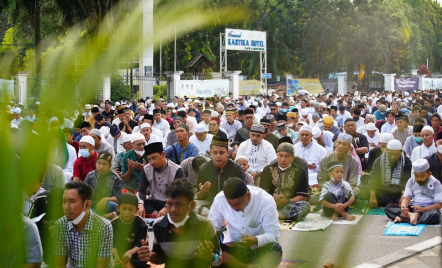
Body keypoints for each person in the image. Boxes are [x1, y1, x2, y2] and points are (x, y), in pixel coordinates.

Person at [208, 178, 282, 268]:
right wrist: (218, 239)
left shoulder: (266, 201)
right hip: (232, 250)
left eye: (238, 204)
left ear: (248, 195)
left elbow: (273, 234)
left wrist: (256, 240)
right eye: (230, 204)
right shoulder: (220, 199)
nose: (234, 208)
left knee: (275, 250)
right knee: (212, 252)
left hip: (256, 249)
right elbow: (211, 228)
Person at [150, 179, 222, 268]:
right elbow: (160, 257)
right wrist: (149, 256)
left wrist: (210, 257)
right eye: (170, 204)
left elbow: (218, 260)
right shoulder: (158, 225)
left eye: (179, 204)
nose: (173, 210)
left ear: (192, 206)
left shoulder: (205, 225)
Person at [54, 181, 113, 268]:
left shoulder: (103, 226)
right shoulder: (60, 225)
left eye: (72, 201)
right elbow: (59, 264)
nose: (66, 207)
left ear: (87, 204)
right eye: (64, 201)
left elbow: (102, 266)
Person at [260, 142, 311, 221]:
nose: (283, 159)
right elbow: (263, 194)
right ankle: (287, 215)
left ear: (292, 158)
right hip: (271, 203)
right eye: (280, 156)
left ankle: (274, 215)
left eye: (287, 156)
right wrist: (274, 202)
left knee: (305, 206)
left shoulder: (299, 171)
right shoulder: (268, 169)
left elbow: (303, 196)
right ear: (276, 155)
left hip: (290, 204)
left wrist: (286, 202)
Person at [384, 159, 442, 225]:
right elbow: (406, 198)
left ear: (429, 174)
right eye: (417, 176)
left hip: (428, 209)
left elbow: (439, 205)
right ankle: (411, 216)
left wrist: (424, 209)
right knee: (388, 208)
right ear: (414, 174)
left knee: (436, 216)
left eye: (422, 176)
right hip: (412, 208)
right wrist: (404, 208)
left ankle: (405, 219)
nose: (419, 179)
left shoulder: (436, 183)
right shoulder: (411, 181)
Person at [137, 142, 184, 217]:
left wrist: (166, 207)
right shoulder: (146, 169)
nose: (152, 162)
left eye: (154, 158)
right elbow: (141, 190)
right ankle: (156, 214)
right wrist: (140, 204)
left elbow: (179, 193)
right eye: (149, 159)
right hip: (154, 202)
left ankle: (159, 214)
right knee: (139, 203)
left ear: (163, 154)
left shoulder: (176, 170)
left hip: (171, 202)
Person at [197, 137, 245, 206]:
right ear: (210, 153)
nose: (218, 156)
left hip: (231, 205)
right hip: (210, 205)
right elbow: (200, 197)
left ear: (228, 153)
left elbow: (242, 195)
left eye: (221, 153)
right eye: (215, 153)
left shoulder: (236, 169)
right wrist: (203, 192)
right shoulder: (204, 169)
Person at [366, 139, 411, 208]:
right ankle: (393, 203)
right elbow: (374, 178)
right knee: (365, 189)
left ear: (401, 152)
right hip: (382, 190)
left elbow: (405, 180)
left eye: (396, 154)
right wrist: (372, 196)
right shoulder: (379, 160)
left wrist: (404, 197)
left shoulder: (406, 161)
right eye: (390, 154)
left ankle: (391, 202)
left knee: (410, 196)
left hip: (397, 191)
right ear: (387, 151)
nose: (393, 157)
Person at [111, 193, 149, 268]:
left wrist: (130, 252)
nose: (127, 212)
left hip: (135, 252)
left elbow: (140, 243)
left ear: (136, 210)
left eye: (131, 209)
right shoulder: (113, 223)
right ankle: (118, 261)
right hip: (117, 251)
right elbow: (113, 243)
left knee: (143, 253)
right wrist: (116, 257)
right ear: (118, 208)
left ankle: (131, 264)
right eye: (124, 209)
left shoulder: (141, 224)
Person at [84, 152, 122, 219]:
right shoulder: (90, 176)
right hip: (92, 205)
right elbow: (83, 192)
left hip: (107, 206)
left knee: (114, 206)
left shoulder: (115, 178)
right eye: (99, 163)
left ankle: (98, 216)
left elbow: (118, 197)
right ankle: (106, 216)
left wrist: (106, 199)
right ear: (95, 163)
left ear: (110, 166)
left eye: (104, 164)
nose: (101, 167)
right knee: (83, 208)